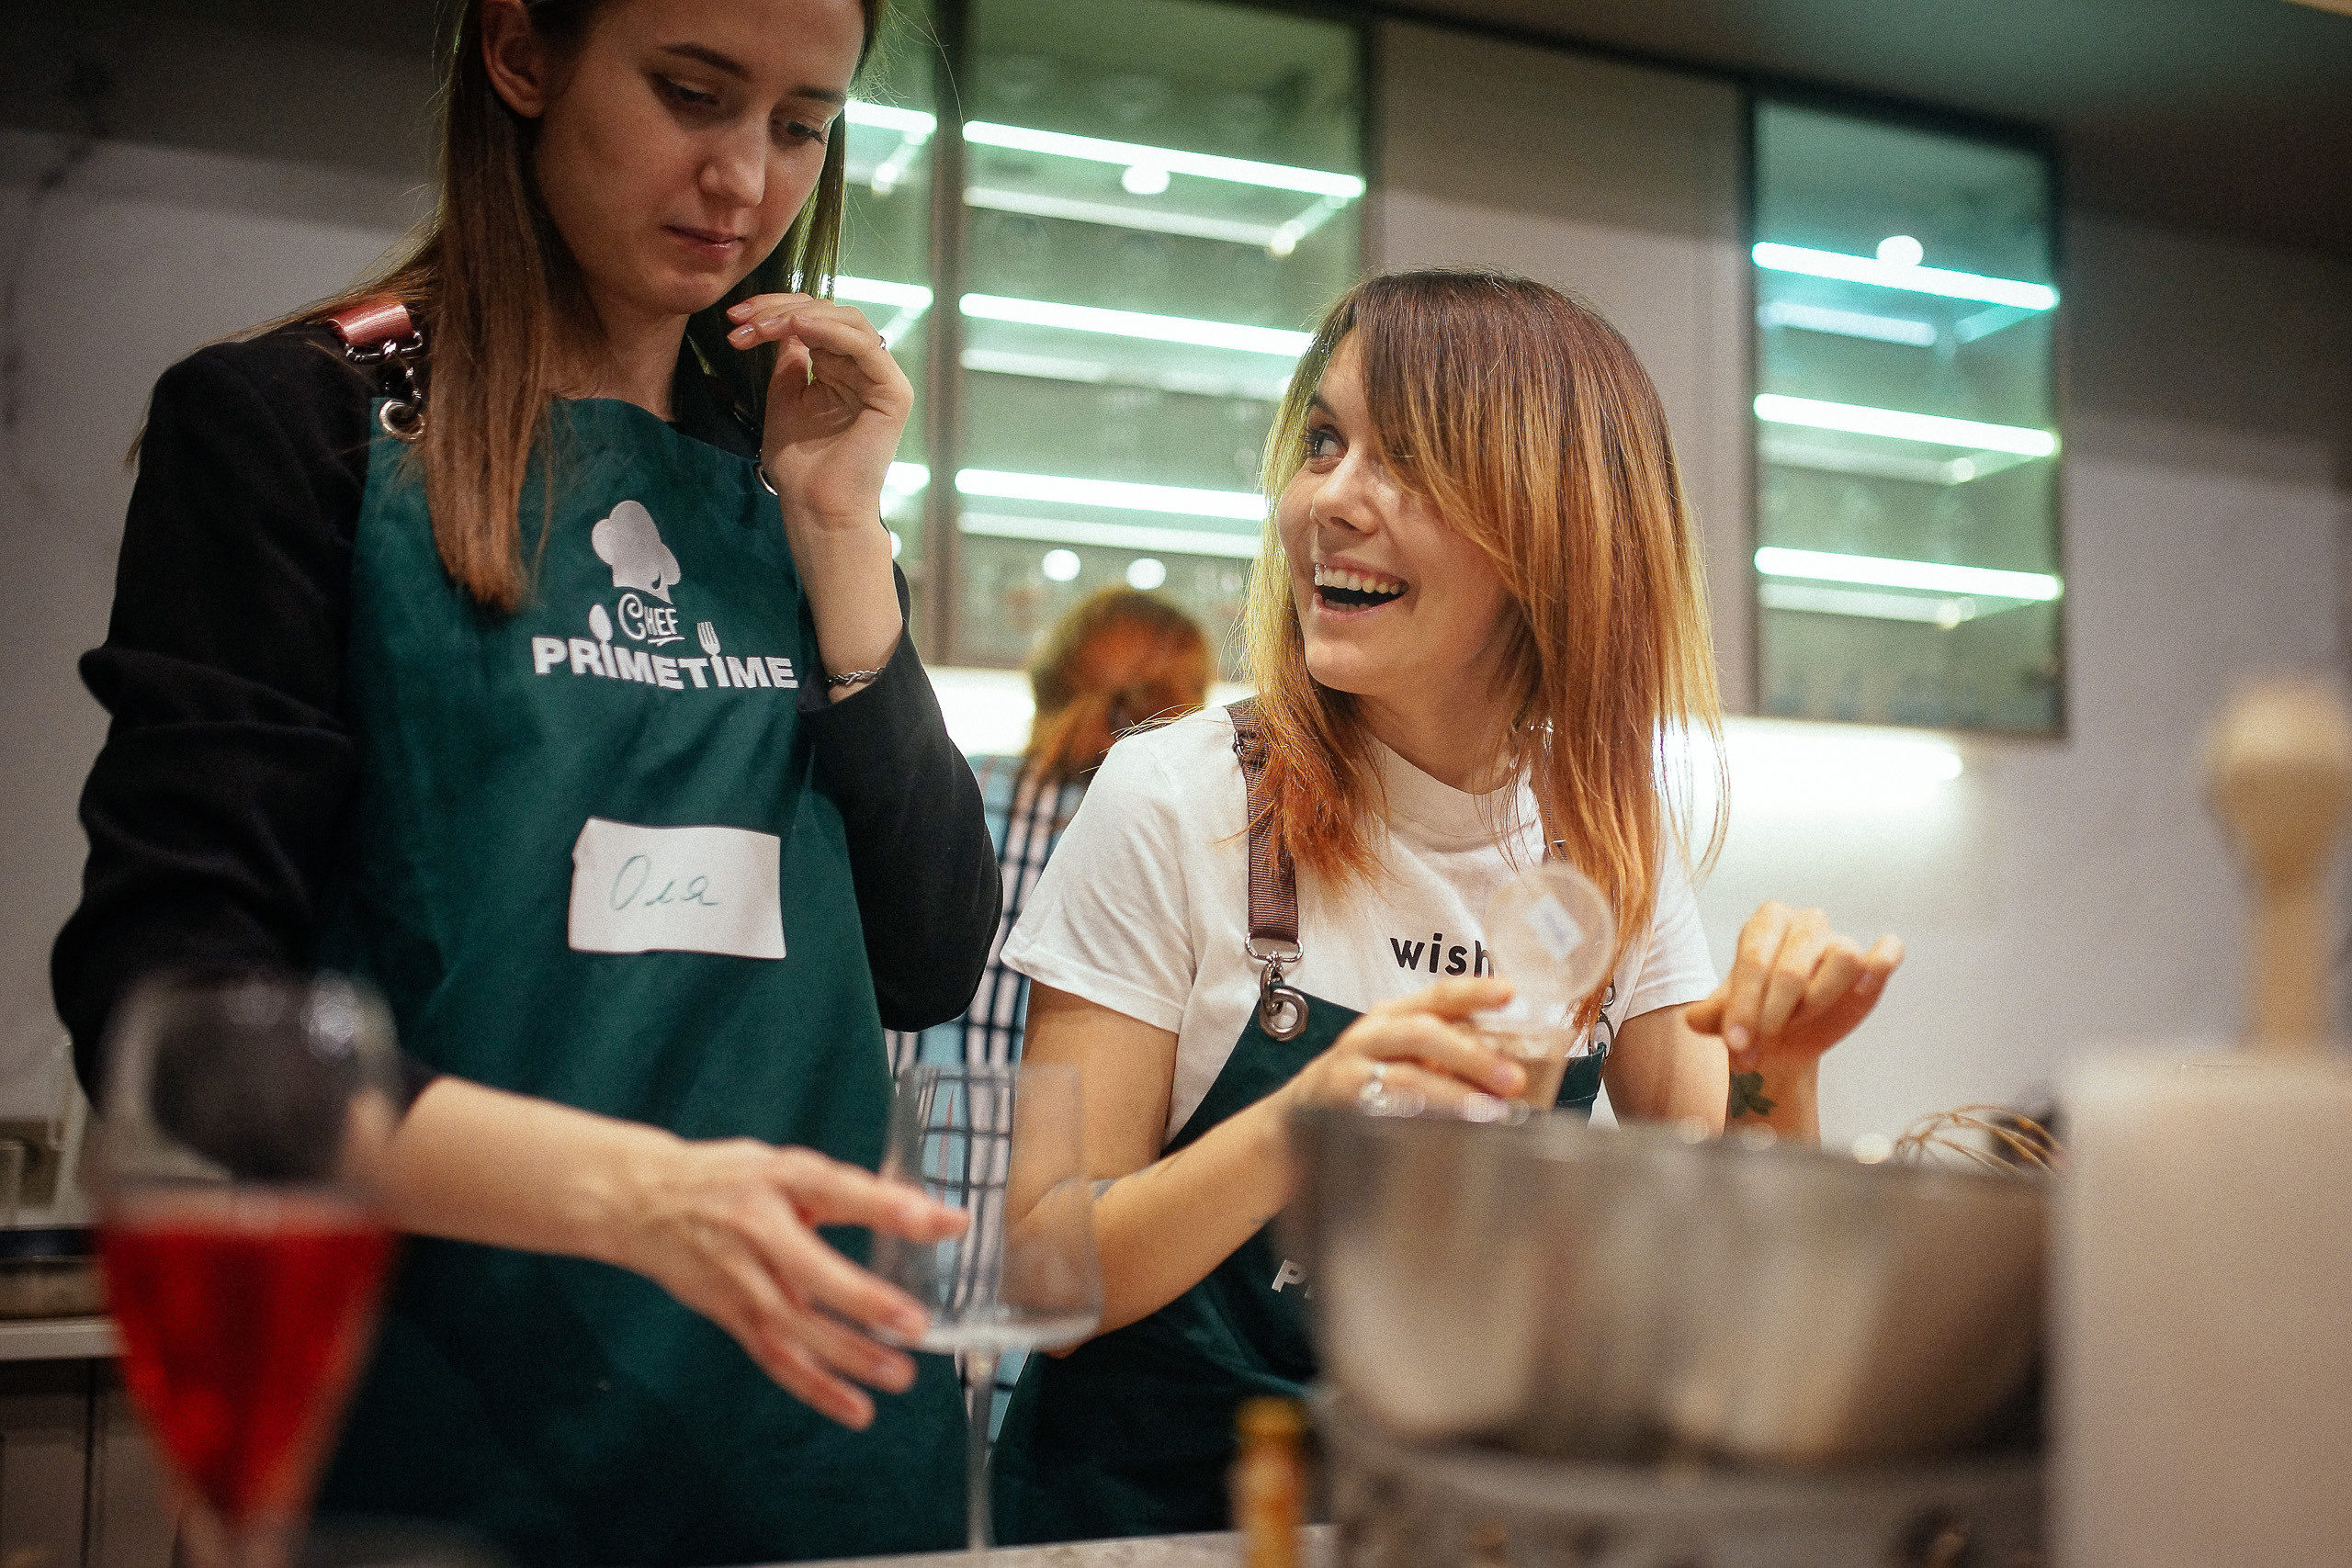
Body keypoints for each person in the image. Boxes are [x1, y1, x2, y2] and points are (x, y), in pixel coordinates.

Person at [50, 1, 999, 1562]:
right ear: (521, 53)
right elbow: (171, 1025)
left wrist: (839, 533)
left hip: (812, 1455)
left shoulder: (789, 455)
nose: (746, 180)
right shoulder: (302, 426)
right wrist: (636, 1198)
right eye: (692, 93)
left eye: (802, 124)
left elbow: (927, 952)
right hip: (437, 1451)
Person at [989, 269, 1905, 1543]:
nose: (1328, 500)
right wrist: (1306, 1120)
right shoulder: (1179, 796)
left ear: (1555, 529)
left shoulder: (1608, 833)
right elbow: (1040, 1267)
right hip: (1148, 1528)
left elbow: (1738, 1278)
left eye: (1407, 458)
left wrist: (1778, 1070)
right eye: (1325, 439)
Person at [898, 587, 1213, 1076]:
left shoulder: (955, 785)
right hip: (1069, 1143)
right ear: (1181, 707)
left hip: (903, 1132)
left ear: (1049, 681)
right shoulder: (1182, 831)